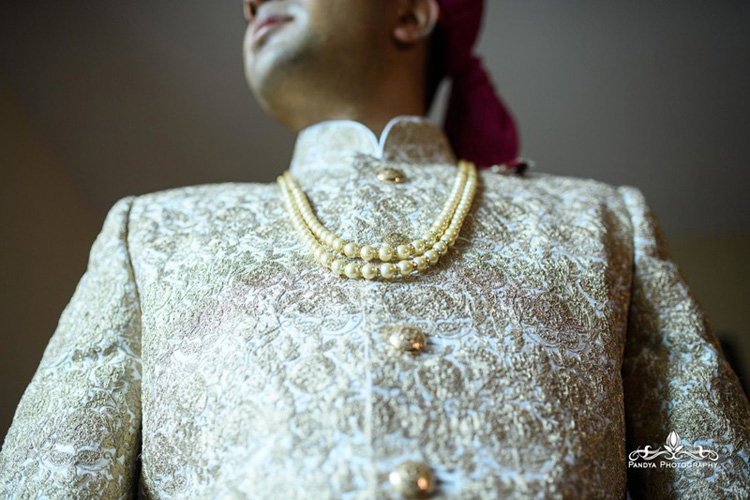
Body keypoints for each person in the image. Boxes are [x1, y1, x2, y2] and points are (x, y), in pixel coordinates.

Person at [1, 0, 748, 498]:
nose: (252, 0)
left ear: (412, 12)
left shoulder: (601, 221)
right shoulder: (152, 233)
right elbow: (53, 475)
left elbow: (701, 463)